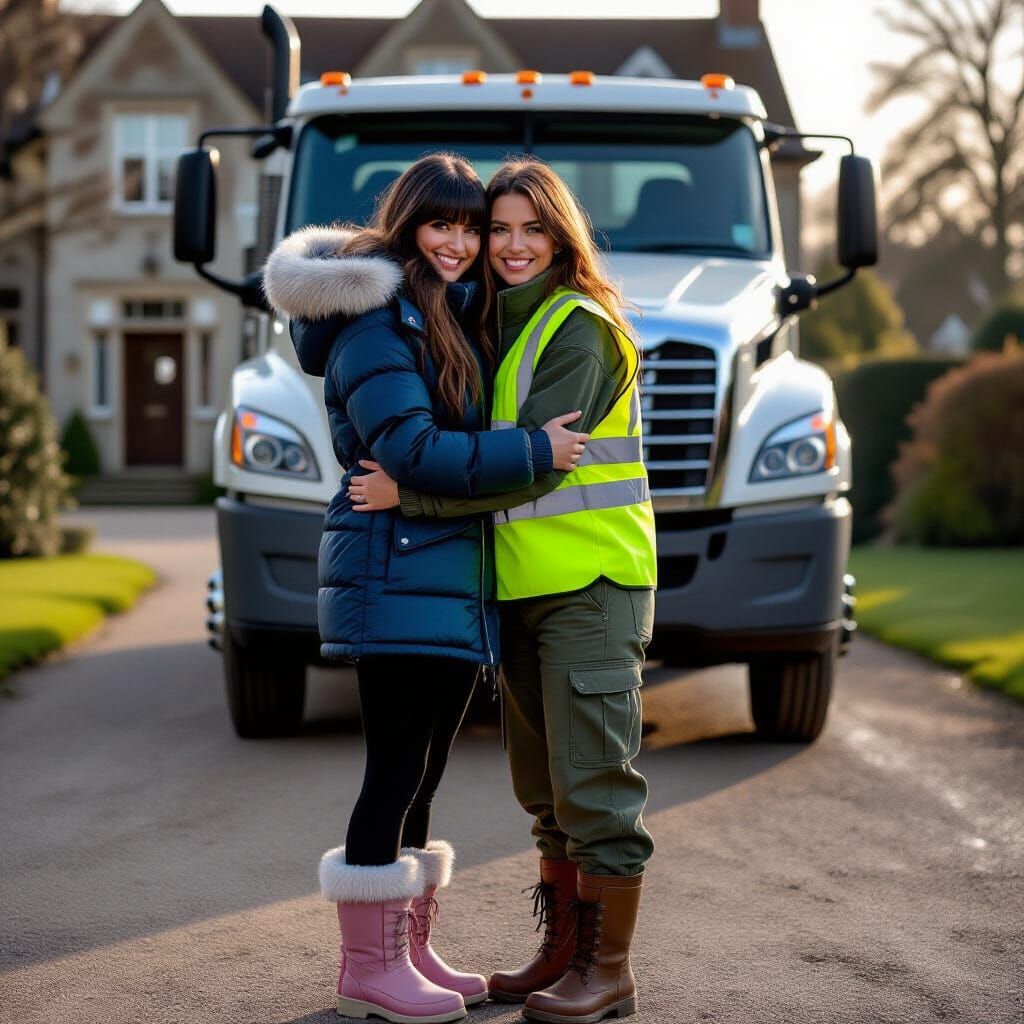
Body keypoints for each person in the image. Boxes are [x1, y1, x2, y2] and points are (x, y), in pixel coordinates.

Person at [262, 153, 589, 1024]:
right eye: (440, 224)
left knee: (427, 769)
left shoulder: (441, 317)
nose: (459, 242)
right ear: (406, 229)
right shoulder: (377, 323)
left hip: (440, 568)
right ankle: (368, 970)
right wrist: (532, 453)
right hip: (395, 563)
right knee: (394, 767)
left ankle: (406, 949)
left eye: (469, 226)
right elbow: (405, 449)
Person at [348, 157, 657, 1024]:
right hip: (521, 590)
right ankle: (562, 956)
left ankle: (607, 973)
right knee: (546, 793)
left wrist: (412, 494)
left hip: (591, 584)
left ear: (562, 239)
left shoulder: (578, 329)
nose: (511, 247)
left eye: (533, 230)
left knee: (594, 786)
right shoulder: (489, 324)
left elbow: (529, 462)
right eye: (500, 228)